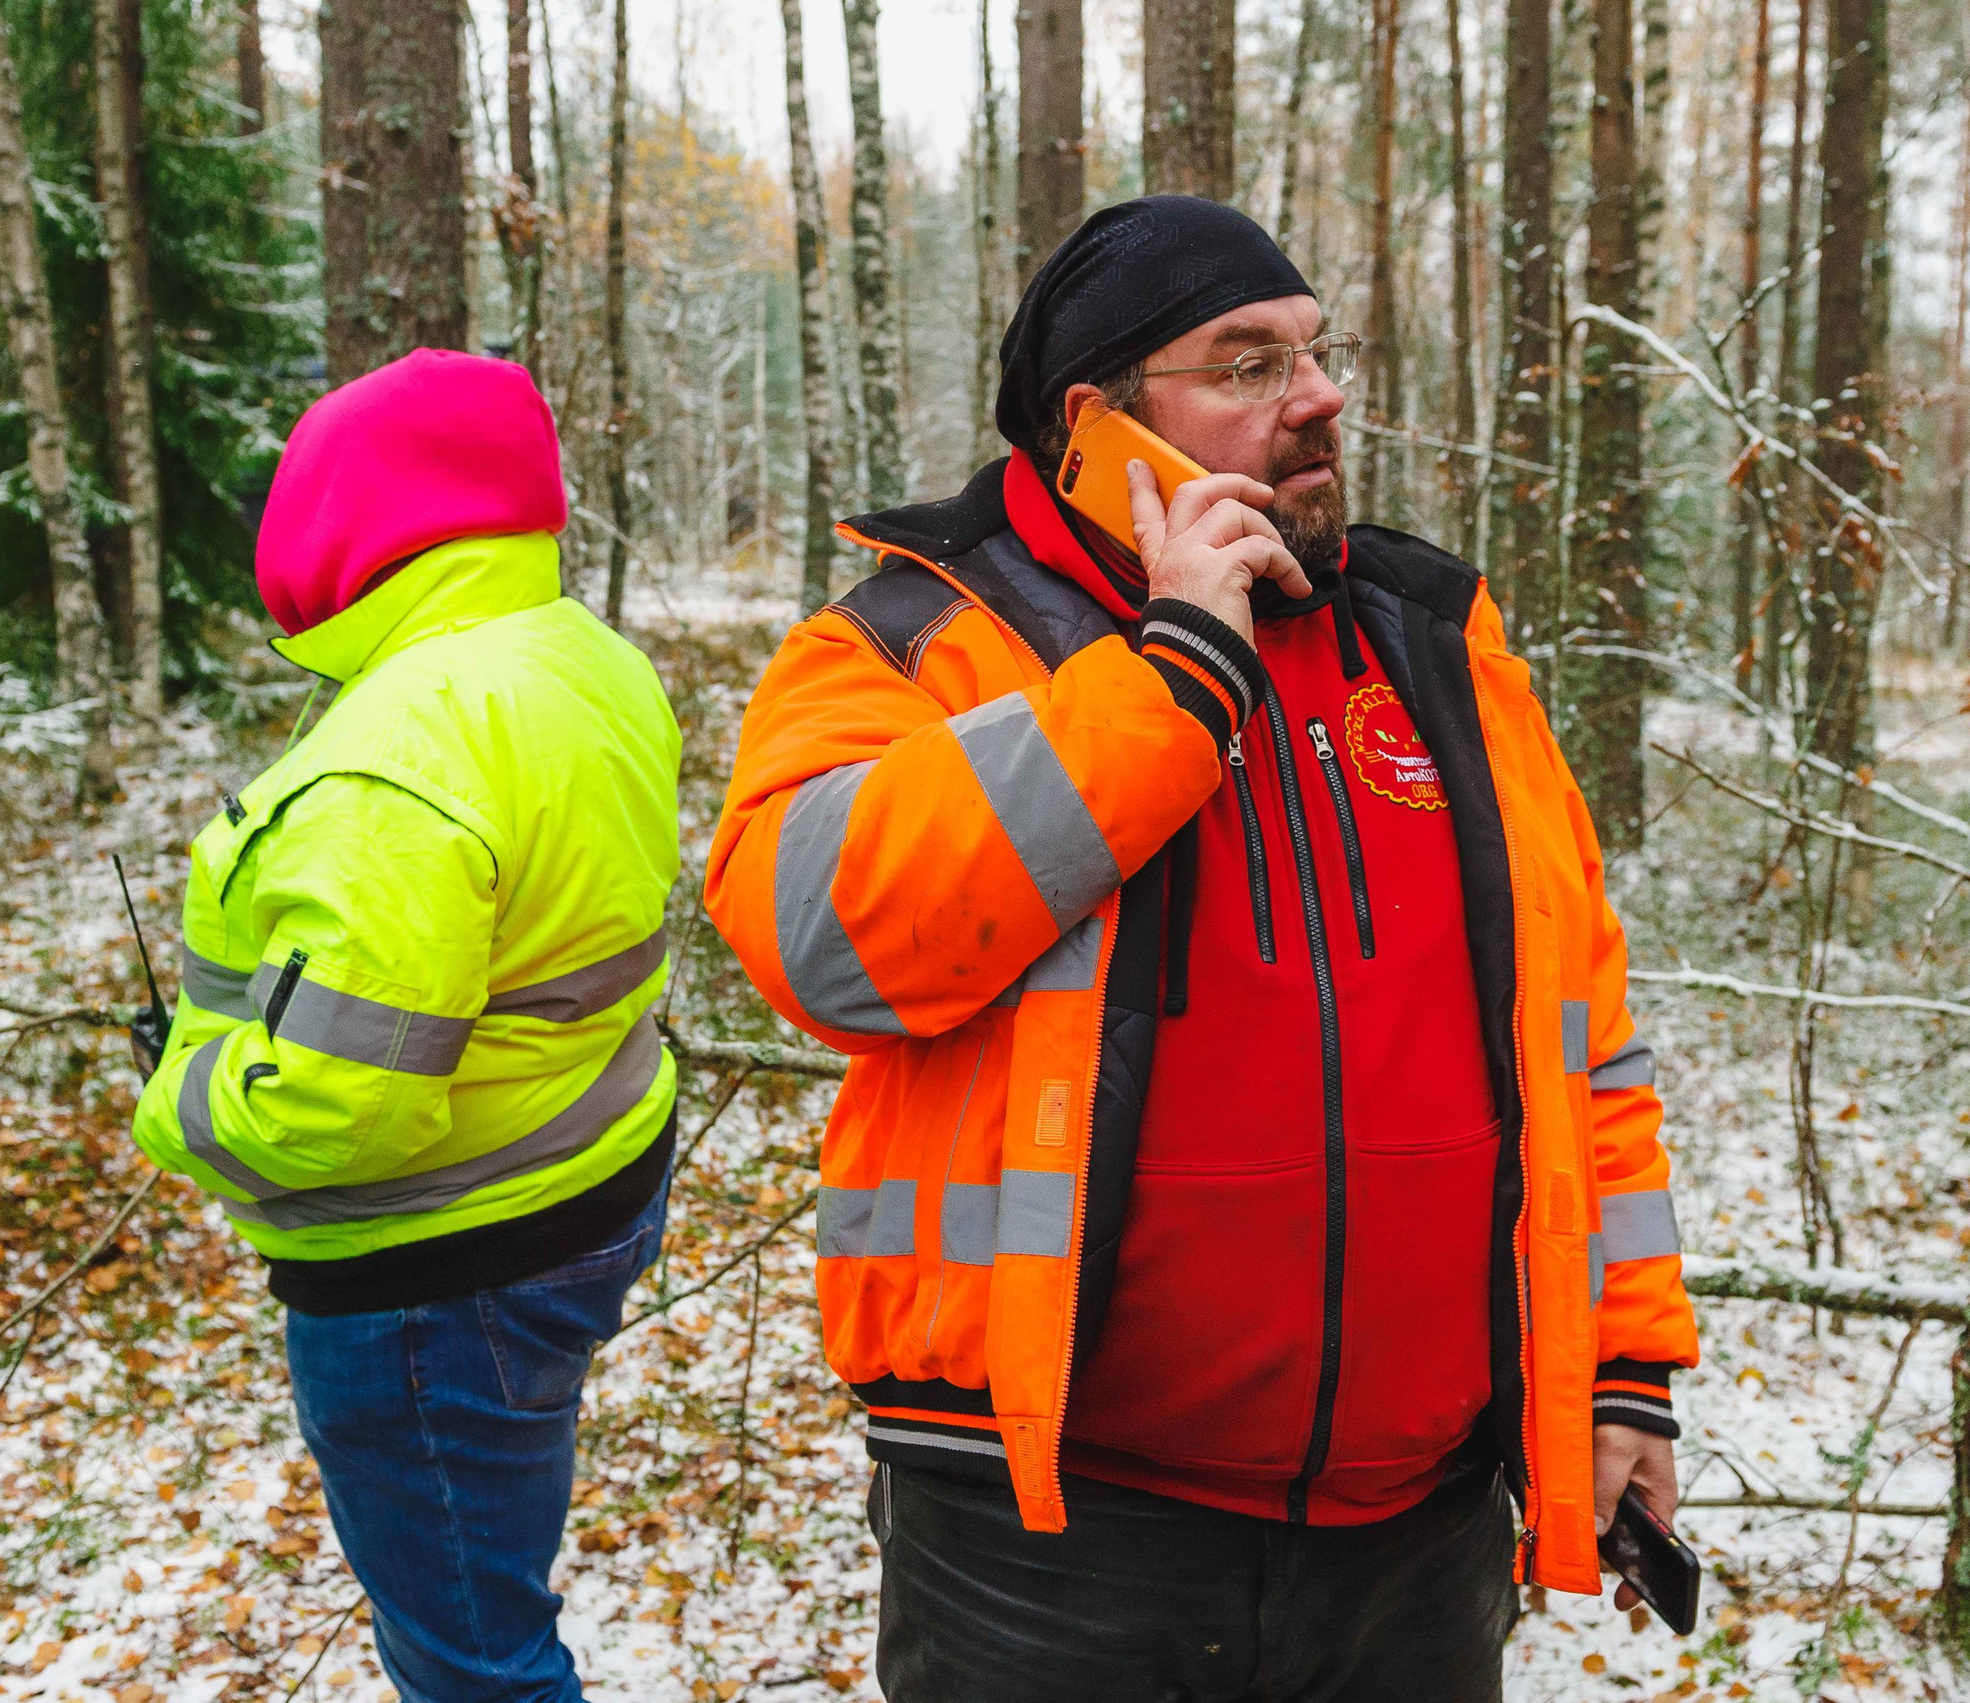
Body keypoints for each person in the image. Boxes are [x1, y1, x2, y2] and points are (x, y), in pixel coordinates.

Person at [706, 196, 1698, 1700]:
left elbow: (1582, 1044)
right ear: (1097, 426)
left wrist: (1623, 1365)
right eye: (1245, 365)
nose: (1317, 399)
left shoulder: (1433, 643)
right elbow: (812, 937)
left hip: (1417, 1542)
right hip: (1056, 1542)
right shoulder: (920, 636)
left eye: (1313, 354)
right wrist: (1169, 680)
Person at [129, 349, 682, 1703]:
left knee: (473, 1666)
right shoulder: (579, 661)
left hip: (431, 1276)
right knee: (488, 1605)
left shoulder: (397, 757)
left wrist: (173, 1105)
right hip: (578, 1181)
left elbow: (343, 1105)